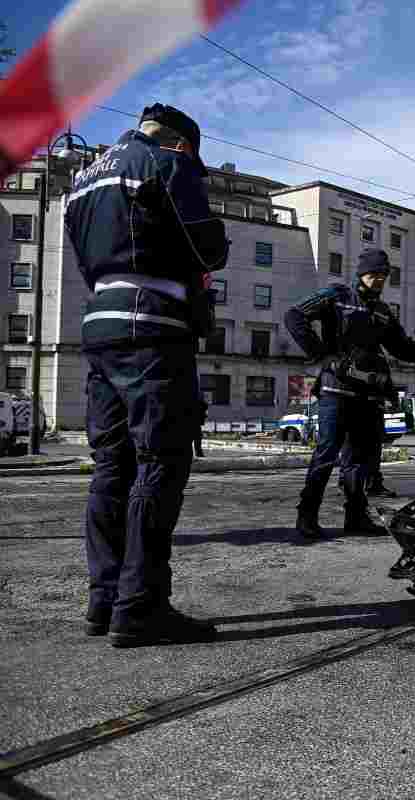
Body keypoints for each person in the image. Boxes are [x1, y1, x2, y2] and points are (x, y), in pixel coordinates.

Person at [64, 103, 228, 647]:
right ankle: (141, 605)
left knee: (111, 465)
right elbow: (209, 248)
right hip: (153, 326)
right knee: (161, 463)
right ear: (181, 143)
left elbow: (87, 262)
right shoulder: (165, 164)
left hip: (100, 323)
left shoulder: (81, 178)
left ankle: (103, 599)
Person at [285, 249, 415, 540]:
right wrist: (323, 357)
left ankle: (356, 516)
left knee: (360, 461)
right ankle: (307, 515)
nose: (378, 281)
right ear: (360, 273)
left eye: (383, 276)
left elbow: (402, 346)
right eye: (373, 275)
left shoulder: (383, 311)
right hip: (335, 392)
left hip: (367, 396)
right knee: (326, 455)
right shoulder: (336, 296)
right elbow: (294, 316)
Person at [193, 392, 207, 458]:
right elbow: (205, 406)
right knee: (197, 439)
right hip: (195, 423)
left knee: (197, 439)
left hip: (194, 423)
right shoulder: (199, 404)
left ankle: (198, 453)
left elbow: (205, 406)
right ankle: (198, 453)